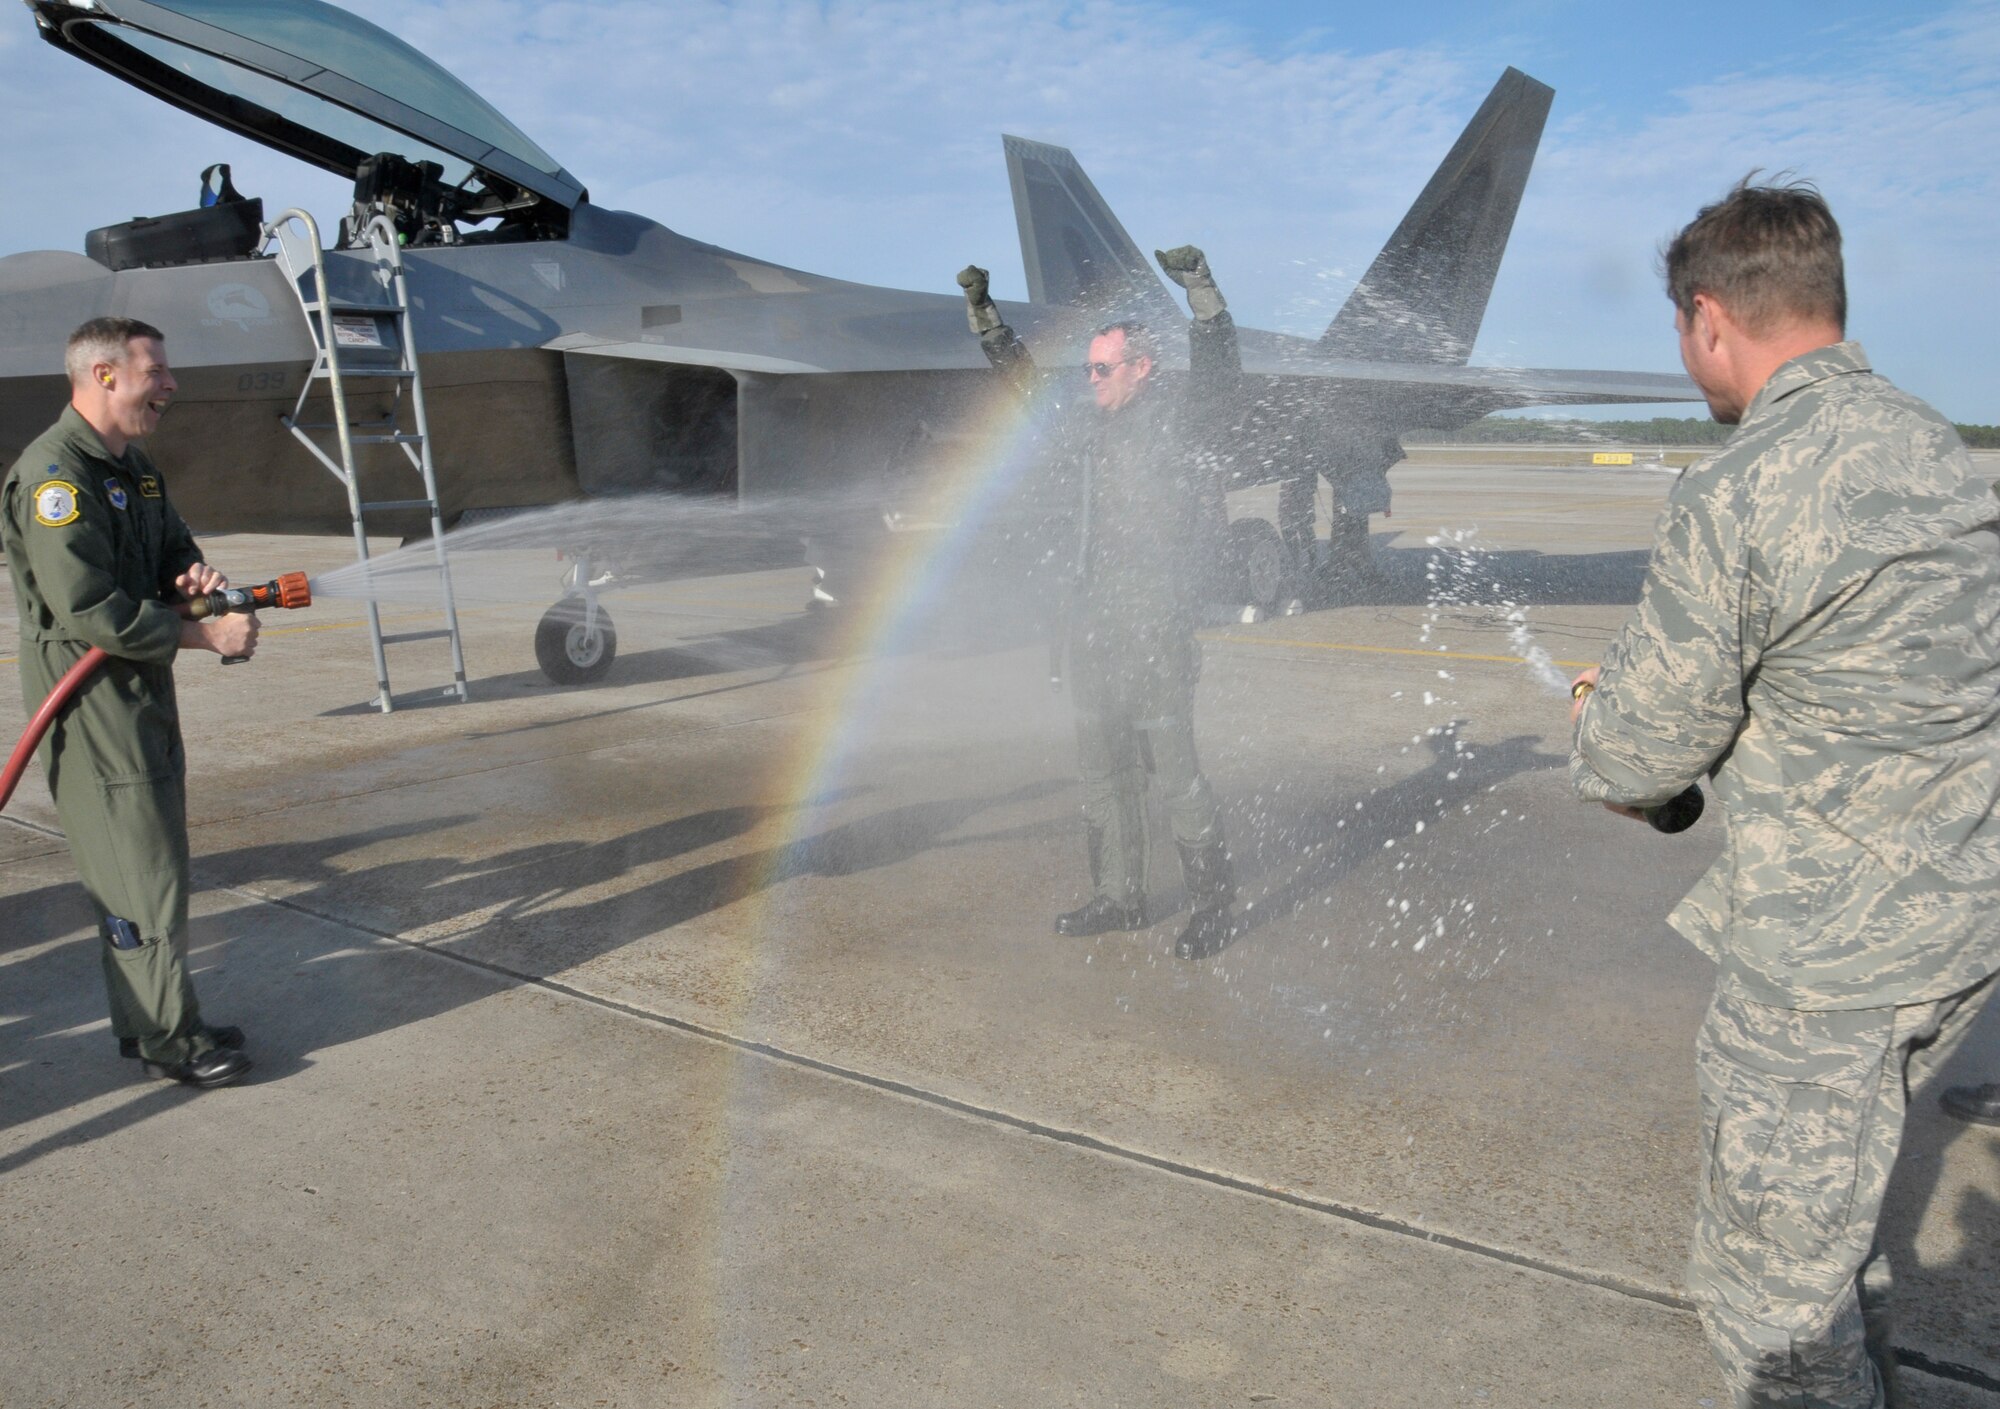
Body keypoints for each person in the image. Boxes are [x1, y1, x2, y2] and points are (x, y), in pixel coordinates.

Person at [1567, 179, 2000, 1408]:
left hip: (1827, 960)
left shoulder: (1743, 486)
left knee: (1771, 1307)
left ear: (1709, 320)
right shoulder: (1935, 448)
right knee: (1837, 1229)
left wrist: (1605, 712)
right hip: (1954, 927)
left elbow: (1636, 764)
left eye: (1679, 335)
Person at [957, 249, 1240, 960]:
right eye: (1086, 368)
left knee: (1175, 772)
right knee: (1102, 769)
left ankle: (1215, 903)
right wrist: (988, 323)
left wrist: (1201, 293)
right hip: (1093, 627)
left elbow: (1217, 378)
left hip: (1155, 626)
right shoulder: (1086, 430)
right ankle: (1120, 894)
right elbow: (1028, 392)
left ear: (1142, 368)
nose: (1089, 379)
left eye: (1101, 368)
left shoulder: (1178, 423)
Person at [2, 317, 260, 1089]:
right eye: (157, 371)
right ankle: (168, 1041)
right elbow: (86, 608)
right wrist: (203, 638)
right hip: (90, 700)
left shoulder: (133, 467)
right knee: (139, 872)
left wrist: (192, 580)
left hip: (137, 688)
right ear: (105, 376)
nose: (171, 384)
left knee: (152, 860)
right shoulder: (54, 477)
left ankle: (156, 1019)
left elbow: (173, 545)